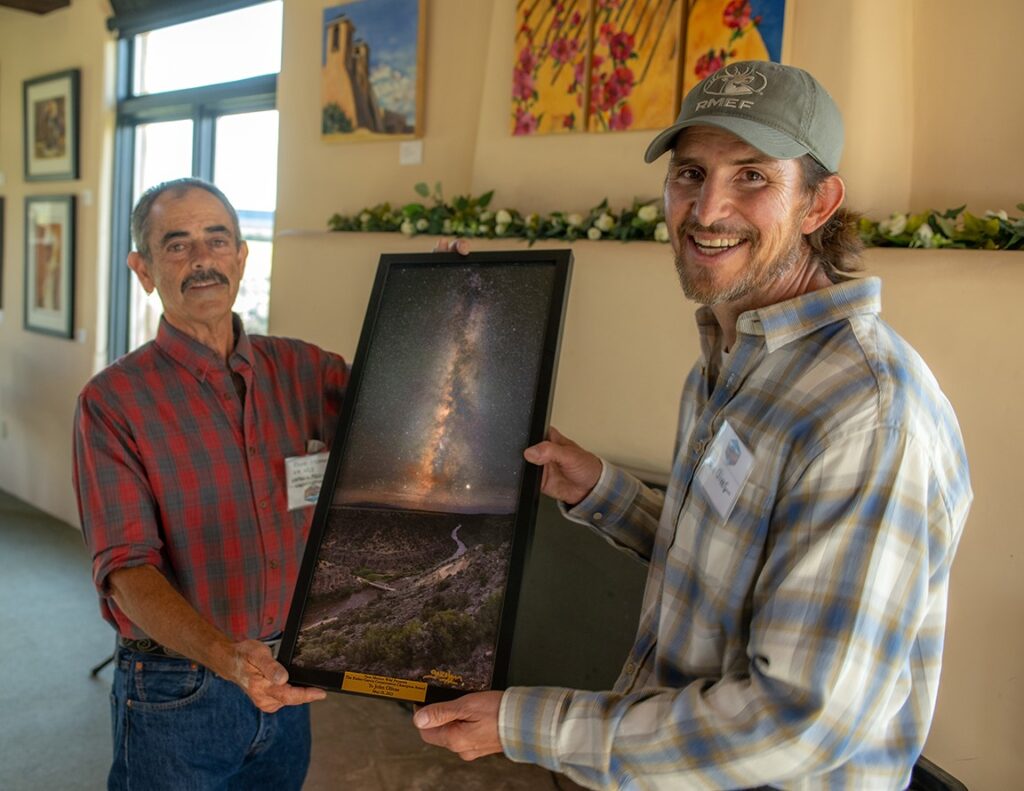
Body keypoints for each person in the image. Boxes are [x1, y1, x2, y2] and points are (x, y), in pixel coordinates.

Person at [414, 61, 972, 789]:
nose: (707, 211)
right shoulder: (732, 361)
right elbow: (732, 569)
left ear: (818, 202)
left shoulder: (865, 412)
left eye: (752, 177)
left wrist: (530, 726)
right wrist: (604, 490)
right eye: (690, 174)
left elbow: (799, 719)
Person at [73, 178, 347, 790]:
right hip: (177, 690)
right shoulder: (112, 402)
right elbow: (126, 569)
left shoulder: (309, 370)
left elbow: (402, 417)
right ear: (143, 270)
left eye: (217, 240)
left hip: (284, 668)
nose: (201, 259)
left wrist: (446, 294)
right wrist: (229, 661)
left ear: (241, 257)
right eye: (177, 245)